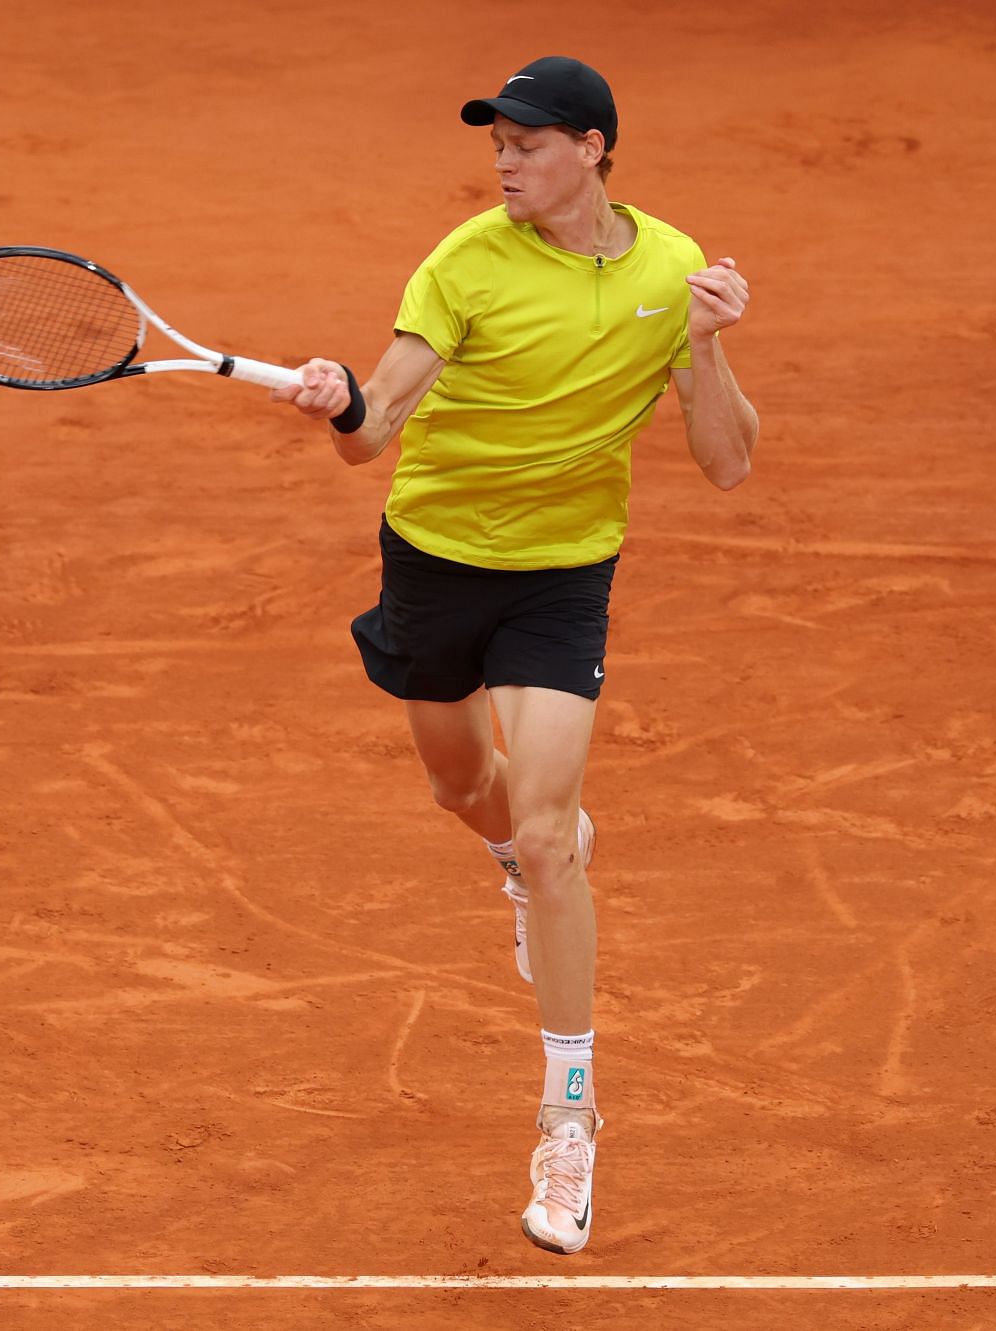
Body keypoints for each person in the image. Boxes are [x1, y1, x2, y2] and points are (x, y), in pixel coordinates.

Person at [274, 56, 757, 1255]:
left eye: (529, 144)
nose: (504, 162)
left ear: (592, 148)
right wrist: (341, 402)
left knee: (553, 832)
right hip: (435, 558)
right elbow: (373, 432)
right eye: (497, 142)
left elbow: (730, 459)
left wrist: (711, 345)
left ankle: (568, 1120)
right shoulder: (463, 262)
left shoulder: (670, 268)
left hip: (562, 573)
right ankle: (511, 849)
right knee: (458, 784)